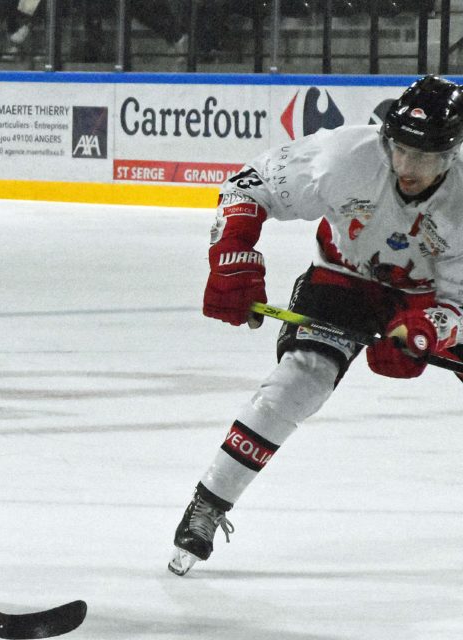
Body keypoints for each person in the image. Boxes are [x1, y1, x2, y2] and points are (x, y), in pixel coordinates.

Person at [168, 75, 463, 577]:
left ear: (452, 155)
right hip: (344, 278)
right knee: (297, 382)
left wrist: (426, 330)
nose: (407, 168)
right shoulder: (345, 156)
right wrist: (232, 253)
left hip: (428, 297)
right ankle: (209, 503)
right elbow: (249, 185)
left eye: (425, 157)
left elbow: (457, 303)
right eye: (400, 150)